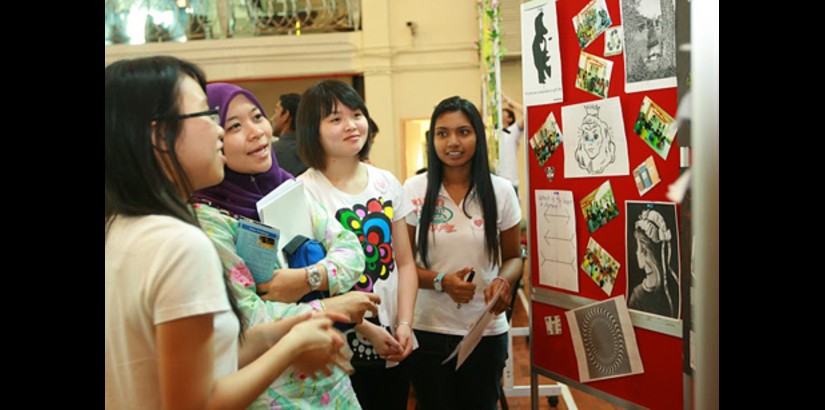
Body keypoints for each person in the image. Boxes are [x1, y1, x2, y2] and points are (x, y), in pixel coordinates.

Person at [105, 56, 349, 409]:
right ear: (160, 136)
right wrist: (294, 348)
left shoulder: (123, 229)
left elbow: (203, 356)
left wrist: (287, 330)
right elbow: (197, 401)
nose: (218, 129)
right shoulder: (180, 244)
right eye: (206, 114)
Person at [192, 82, 381, 409]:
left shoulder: (287, 188)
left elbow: (351, 249)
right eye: (235, 126)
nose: (257, 132)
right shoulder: (209, 220)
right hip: (272, 387)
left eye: (258, 117)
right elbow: (248, 318)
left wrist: (309, 278)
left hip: (330, 373)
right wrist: (328, 307)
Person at [295, 80, 418, 410]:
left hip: (396, 334)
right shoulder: (303, 192)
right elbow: (307, 285)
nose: (351, 125)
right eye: (335, 118)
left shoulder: (386, 182)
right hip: (337, 341)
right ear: (312, 130)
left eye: (357, 114)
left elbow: (405, 263)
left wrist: (405, 323)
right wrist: (366, 329)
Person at [403, 96, 523, 410]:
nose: (453, 142)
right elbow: (401, 265)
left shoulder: (500, 191)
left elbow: (513, 256)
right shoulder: (413, 190)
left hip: (484, 330)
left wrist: (502, 282)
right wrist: (441, 281)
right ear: (432, 140)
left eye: (463, 132)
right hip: (427, 329)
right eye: (443, 133)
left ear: (477, 137)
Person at [628, 208, 680, 319]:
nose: (637, 252)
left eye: (638, 248)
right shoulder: (637, 297)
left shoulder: (638, 297)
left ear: (646, 251)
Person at [270, 92, 309, 177]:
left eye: (275, 111)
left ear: (286, 115)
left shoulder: (270, 152)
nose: (271, 118)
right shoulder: (316, 152)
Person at [500, 95, 525, 193]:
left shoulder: (513, 130)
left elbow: (526, 112)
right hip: (496, 181)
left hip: (510, 182)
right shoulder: (494, 133)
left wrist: (508, 100)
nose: (501, 112)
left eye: (504, 112)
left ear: (510, 119)